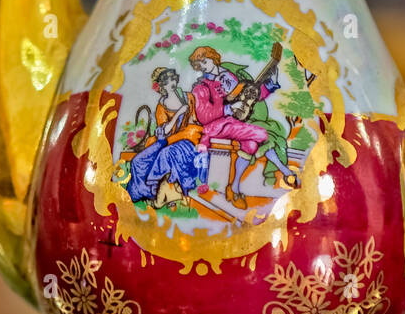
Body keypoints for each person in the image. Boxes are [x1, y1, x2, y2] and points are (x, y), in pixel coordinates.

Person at [188, 45, 297, 206]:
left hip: (233, 123)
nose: (204, 66)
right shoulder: (201, 87)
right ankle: (286, 171)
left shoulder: (228, 76)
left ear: (213, 57)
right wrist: (227, 108)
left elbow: (247, 96)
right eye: (200, 65)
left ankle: (234, 188)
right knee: (261, 134)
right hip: (216, 127)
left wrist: (270, 85)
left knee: (252, 145)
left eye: (206, 61)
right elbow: (205, 116)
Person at [126, 67, 206, 208]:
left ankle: (155, 188)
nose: (172, 83)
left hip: (188, 137)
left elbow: (194, 121)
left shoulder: (188, 97)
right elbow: (166, 131)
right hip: (168, 139)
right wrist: (178, 113)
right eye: (167, 81)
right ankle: (143, 192)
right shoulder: (161, 107)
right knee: (139, 161)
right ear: (162, 86)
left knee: (165, 154)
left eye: (173, 79)